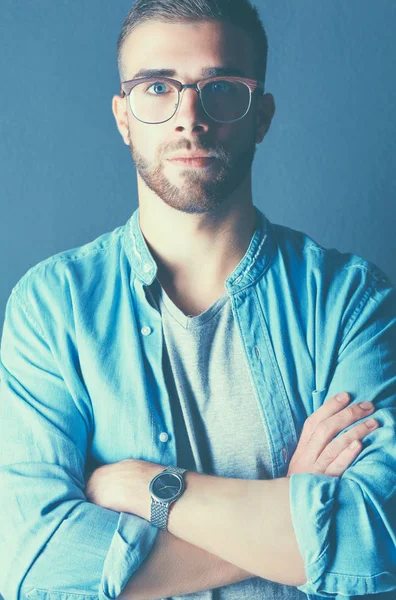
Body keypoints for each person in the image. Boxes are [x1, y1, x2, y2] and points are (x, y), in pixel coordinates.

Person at [0, 1, 395, 599]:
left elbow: (374, 541)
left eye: (221, 88)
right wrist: (287, 513)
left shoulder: (349, 300)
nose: (189, 118)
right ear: (123, 117)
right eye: (157, 87)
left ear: (261, 116)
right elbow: (35, 566)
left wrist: (145, 487)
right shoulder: (52, 307)